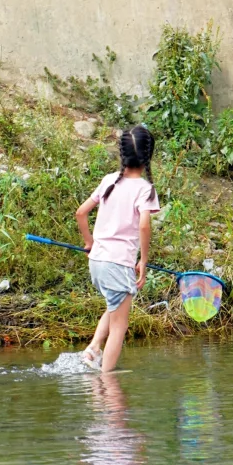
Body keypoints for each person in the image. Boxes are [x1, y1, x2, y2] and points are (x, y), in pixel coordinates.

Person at [76, 125, 160, 374]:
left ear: (122, 154)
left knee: (114, 306)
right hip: (118, 264)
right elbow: (144, 226)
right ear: (148, 156)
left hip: (98, 263)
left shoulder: (108, 180)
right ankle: (106, 378)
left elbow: (81, 213)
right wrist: (143, 261)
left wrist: (90, 243)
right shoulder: (145, 189)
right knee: (120, 326)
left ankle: (93, 349)